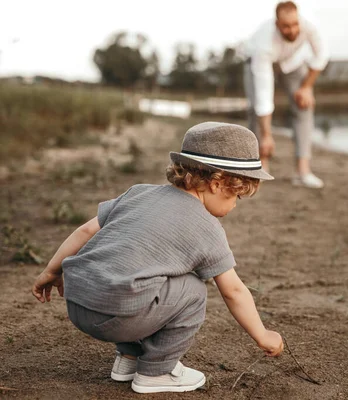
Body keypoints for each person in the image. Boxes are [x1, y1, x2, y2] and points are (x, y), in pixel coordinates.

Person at [31, 122, 284, 394]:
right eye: (236, 196)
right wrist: (262, 335)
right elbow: (233, 290)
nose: (234, 205)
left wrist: (51, 272)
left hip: (77, 302)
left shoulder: (139, 192)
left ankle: (128, 359)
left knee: (143, 275)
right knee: (192, 288)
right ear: (216, 183)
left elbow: (85, 231)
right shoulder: (207, 227)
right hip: (117, 313)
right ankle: (156, 372)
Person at [244, 1, 329, 188]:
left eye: (294, 24)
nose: (292, 30)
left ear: (299, 19)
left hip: (292, 62)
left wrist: (306, 87)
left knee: (304, 105)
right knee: (256, 109)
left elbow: (321, 56)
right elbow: (264, 96)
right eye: (286, 26)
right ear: (277, 24)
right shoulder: (264, 45)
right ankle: (260, 167)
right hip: (257, 63)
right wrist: (267, 134)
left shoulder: (309, 26)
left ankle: (303, 172)